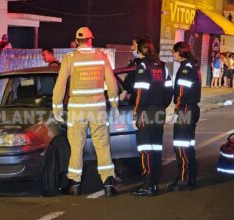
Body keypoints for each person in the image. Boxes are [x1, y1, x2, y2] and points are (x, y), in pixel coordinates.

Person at [52, 27, 120, 197]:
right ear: (91, 40)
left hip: (77, 111)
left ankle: (75, 184)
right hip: (97, 109)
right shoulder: (101, 56)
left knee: (76, 147)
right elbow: (112, 84)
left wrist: (57, 107)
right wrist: (114, 105)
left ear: (76, 41)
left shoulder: (70, 58)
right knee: (103, 145)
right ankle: (109, 184)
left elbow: (60, 85)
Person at [131, 38, 173, 196]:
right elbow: (170, 90)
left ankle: (148, 185)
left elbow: (141, 93)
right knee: (156, 148)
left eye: (135, 47)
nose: (132, 49)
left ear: (142, 50)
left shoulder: (142, 66)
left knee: (145, 149)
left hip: (146, 112)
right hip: (159, 111)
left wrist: (136, 112)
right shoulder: (162, 67)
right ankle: (155, 181)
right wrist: (162, 105)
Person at [168, 41, 201, 191]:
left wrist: (177, 108)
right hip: (191, 109)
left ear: (179, 52)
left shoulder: (185, 69)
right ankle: (189, 177)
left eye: (174, 52)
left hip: (185, 110)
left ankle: (184, 178)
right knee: (188, 146)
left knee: (181, 146)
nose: (172, 54)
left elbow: (181, 92)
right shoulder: (191, 66)